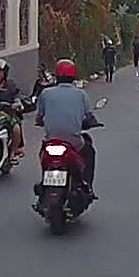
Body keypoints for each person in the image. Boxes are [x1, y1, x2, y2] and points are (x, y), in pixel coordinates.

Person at [35, 59, 97, 196]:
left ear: (57, 75)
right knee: (89, 151)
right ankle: (87, 185)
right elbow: (89, 117)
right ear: (73, 76)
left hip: (51, 141)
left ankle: (44, 180)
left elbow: (39, 117)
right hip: (73, 142)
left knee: (43, 154)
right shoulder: (81, 94)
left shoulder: (46, 93)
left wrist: (41, 122)